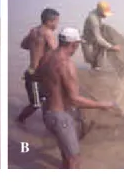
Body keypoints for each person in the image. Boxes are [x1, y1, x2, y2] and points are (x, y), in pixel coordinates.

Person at [35, 27, 117, 169]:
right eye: (78, 45)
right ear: (73, 45)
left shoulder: (46, 57)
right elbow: (74, 100)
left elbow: (38, 78)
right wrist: (102, 105)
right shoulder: (67, 65)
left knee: (65, 153)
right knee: (74, 159)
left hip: (46, 112)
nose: (77, 48)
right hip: (61, 118)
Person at [16, 8, 60, 124]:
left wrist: (37, 47)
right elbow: (57, 54)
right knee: (36, 104)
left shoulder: (33, 31)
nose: (57, 24)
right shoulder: (48, 33)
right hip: (36, 75)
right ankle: (19, 121)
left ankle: (49, 122)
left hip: (33, 72)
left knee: (48, 98)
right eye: (56, 22)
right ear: (50, 21)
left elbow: (23, 45)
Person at [82, 1, 121, 70]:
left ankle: (97, 67)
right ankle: (94, 69)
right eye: (105, 14)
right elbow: (99, 39)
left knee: (98, 62)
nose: (106, 16)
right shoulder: (94, 21)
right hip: (87, 42)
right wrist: (112, 47)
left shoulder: (96, 13)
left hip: (94, 39)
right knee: (91, 60)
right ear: (100, 12)